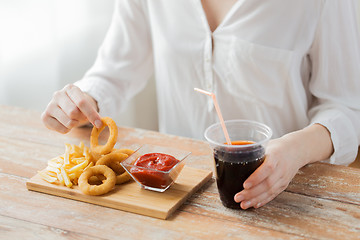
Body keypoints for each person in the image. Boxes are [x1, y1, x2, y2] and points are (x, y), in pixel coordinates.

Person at [41, 0, 360, 209]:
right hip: (174, 193)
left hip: (284, 196)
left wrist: (294, 151)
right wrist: (81, 103)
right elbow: (113, 72)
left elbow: (347, 108)